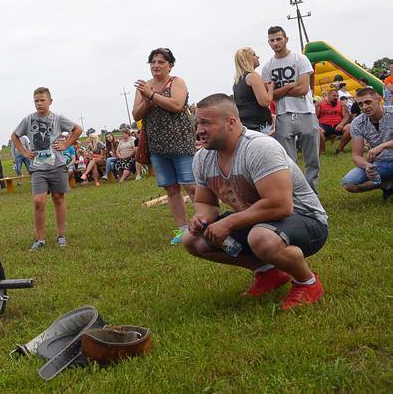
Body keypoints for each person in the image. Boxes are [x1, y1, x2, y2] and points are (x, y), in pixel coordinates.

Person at [182, 94, 328, 310]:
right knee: (193, 240)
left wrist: (229, 223)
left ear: (231, 122)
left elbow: (280, 205)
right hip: (258, 222)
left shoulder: (260, 148)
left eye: (206, 123)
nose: (199, 130)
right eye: (198, 123)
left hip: (305, 220)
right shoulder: (203, 158)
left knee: (261, 237)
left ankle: (307, 282)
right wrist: (201, 218)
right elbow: (206, 202)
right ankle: (268, 273)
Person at [132, 47, 197, 244]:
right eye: (153, 62)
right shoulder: (144, 86)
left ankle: (207, 223)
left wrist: (151, 96)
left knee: (192, 186)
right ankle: (182, 229)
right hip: (158, 147)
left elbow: (177, 105)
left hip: (181, 143)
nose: (156, 65)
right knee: (171, 189)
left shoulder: (176, 82)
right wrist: (147, 100)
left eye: (161, 62)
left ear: (170, 65)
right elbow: (136, 115)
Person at [12, 87, 82, 250]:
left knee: (58, 198)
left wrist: (65, 144)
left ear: (50, 101)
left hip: (57, 165)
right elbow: (15, 136)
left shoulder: (58, 118)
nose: (39, 103)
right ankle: (40, 239)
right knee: (38, 201)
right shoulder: (28, 120)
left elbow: (77, 129)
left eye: (42, 100)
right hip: (37, 167)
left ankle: (61, 235)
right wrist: (23, 152)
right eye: (36, 101)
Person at [261, 26, 320, 193]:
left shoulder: (300, 59)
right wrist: (291, 84)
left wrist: (281, 90)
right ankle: (297, 194)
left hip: (306, 112)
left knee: (312, 158)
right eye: (272, 40)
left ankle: (312, 192)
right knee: (289, 160)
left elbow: (303, 89)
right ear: (268, 42)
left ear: (286, 39)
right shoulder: (267, 67)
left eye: (279, 39)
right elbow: (271, 96)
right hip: (283, 114)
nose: (275, 43)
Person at [341, 87, 393, 200]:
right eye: (360, 104)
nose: (364, 107)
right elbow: (356, 156)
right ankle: (386, 184)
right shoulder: (357, 123)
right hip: (380, 164)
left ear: (379, 100)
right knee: (348, 183)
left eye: (368, 102)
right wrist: (367, 166)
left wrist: (382, 146)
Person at [232, 47, 274, 133]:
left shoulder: (237, 81)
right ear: (247, 59)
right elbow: (265, 102)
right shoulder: (253, 77)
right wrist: (271, 89)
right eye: (254, 55)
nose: (258, 57)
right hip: (259, 125)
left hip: (245, 124)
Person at [316, 88, 350, 155]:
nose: (336, 97)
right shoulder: (320, 104)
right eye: (334, 96)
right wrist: (316, 107)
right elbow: (316, 116)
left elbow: (346, 116)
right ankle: (323, 150)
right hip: (324, 125)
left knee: (350, 127)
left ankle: (340, 149)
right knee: (317, 130)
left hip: (338, 125)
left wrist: (341, 124)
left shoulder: (341, 104)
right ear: (328, 96)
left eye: (337, 96)